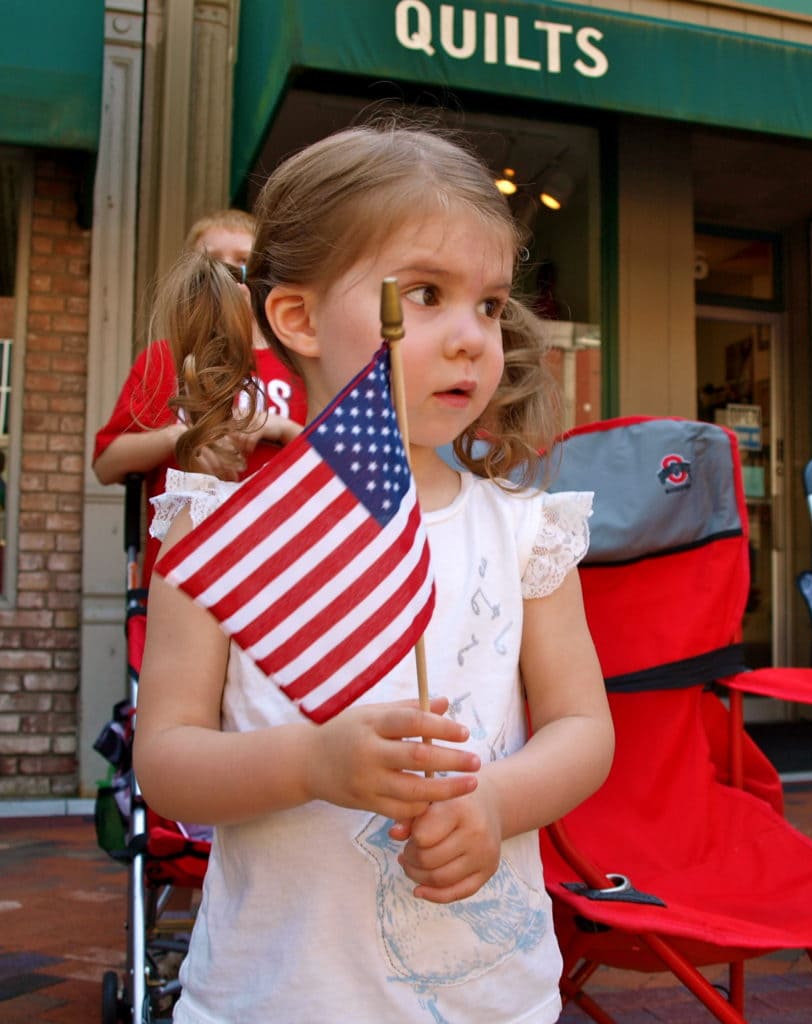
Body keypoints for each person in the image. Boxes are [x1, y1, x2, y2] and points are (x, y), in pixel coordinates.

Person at [134, 120, 614, 1024]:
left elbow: (584, 726)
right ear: (299, 317)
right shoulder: (220, 539)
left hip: (489, 997)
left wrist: (498, 801)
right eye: (426, 294)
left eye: (489, 303)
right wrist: (312, 761)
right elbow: (166, 762)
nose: (473, 336)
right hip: (277, 994)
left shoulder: (525, 535)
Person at [92, 209, 307, 578]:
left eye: (242, 262)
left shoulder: (299, 361)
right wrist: (180, 438)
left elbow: (336, 468)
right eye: (212, 264)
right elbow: (107, 464)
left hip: (277, 570)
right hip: (182, 569)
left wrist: (280, 427)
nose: (227, 274)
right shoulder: (163, 358)